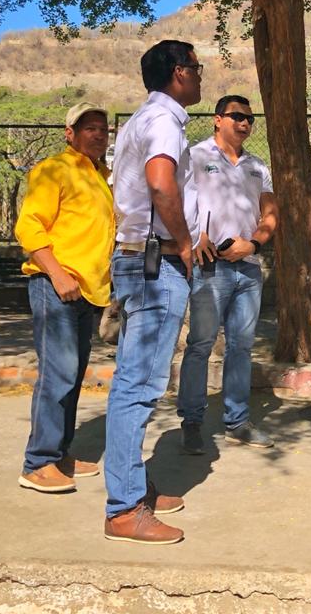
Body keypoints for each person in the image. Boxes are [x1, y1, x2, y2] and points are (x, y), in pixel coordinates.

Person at [103, 39, 202, 545]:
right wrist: (184, 244)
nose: (201, 75)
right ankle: (124, 508)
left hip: (139, 259)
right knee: (138, 385)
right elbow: (162, 186)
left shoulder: (142, 119)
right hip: (155, 263)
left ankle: (133, 486)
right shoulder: (163, 120)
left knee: (133, 379)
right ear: (178, 72)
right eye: (196, 67)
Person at [14, 103, 114, 494]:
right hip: (55, 284)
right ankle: (37, 463)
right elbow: (29, 227)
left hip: (86, 291)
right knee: (58, 373)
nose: (99, 134)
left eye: (103, 128)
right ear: (69, 133)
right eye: (89, 128)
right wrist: (57, 274)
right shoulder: (53, 169)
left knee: (72, 375)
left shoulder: (101, 177)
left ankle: (59, 454)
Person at [178, 95, 279, 454]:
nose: (244, 123)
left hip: (248, 270)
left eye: (249, 118)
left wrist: (253, 245)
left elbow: (270, 215)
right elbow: (178, 203)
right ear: (217, 119)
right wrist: (194, 238)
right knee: (201, 345)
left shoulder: (257, 166)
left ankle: (237, 422)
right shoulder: (194, 156)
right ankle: (191, 423)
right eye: (236, 116)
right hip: (210, 268)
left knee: (241, 347)